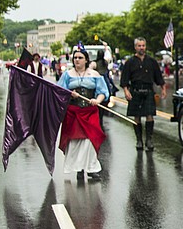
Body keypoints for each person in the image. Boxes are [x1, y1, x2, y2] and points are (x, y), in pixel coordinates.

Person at [57, 46, 109, 180]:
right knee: (75, 140)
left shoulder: (94, 74)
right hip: (73, 112)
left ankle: (91, 169)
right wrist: (69, 94)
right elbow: (59, 92)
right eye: (75, 58)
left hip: (90, 111)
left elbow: (103, 92)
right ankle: (79, 169)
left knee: (90, 140)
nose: (77, 60)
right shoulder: (67, 75)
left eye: (80, 58)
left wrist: (97, 100)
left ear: (86, 60)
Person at [120, 37, 167, 151]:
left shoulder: (152, 61)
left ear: (145, 47)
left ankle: (149, 140)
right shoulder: (130, 62)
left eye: (143, 45)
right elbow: (125, 79)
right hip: (135, 90)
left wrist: (163, 89)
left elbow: (158, 77)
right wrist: (126, 91)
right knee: (137, 116)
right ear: (135, 47)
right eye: (139, 46)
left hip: (148, 90)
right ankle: (139, 140)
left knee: (149, 115)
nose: (141, 48)